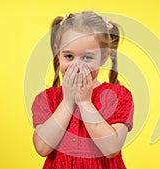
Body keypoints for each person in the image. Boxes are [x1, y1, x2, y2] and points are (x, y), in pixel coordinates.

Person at [31, 11, 134, 169]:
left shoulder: (118, 96)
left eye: (87, 58)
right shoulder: (47, 99)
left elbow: (111, 149)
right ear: (59, 54)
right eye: (69, 56)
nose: (76, 66)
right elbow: (42, 148)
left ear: (104, 57)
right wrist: (67, 101)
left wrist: (85, 102)